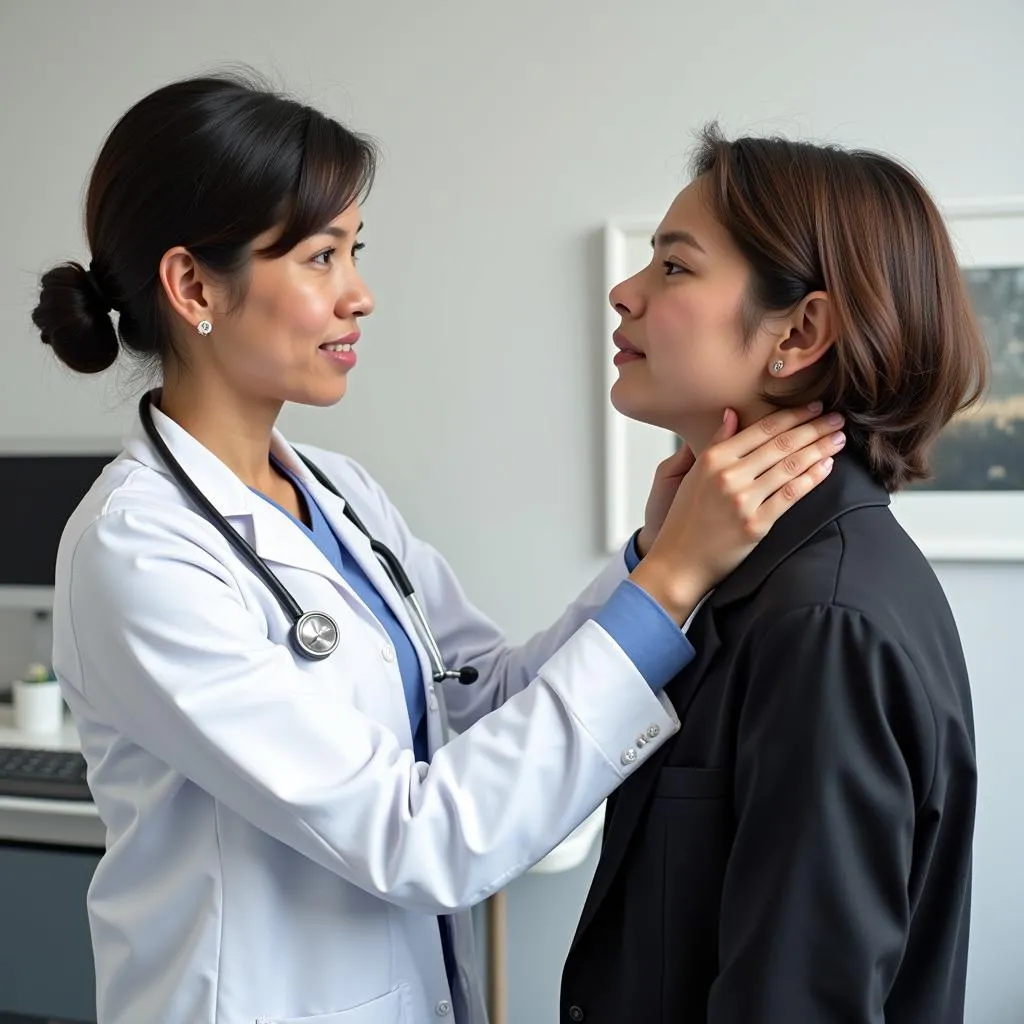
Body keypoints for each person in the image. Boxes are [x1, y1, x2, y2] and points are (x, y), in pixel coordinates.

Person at [30, 77, 841, 1024]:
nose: (360, 295)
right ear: (194, 286)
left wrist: (648, 557)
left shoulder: (338, 493)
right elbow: (416, 838)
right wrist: (668, 588)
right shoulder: (138, 551)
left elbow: (475, 698)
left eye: (355, 252)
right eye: (322, 256)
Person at [559, 125, 986, 1024]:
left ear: (799, 332)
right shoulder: (761, 578)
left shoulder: (822, 619)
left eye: (674, 268)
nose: (624, 292)